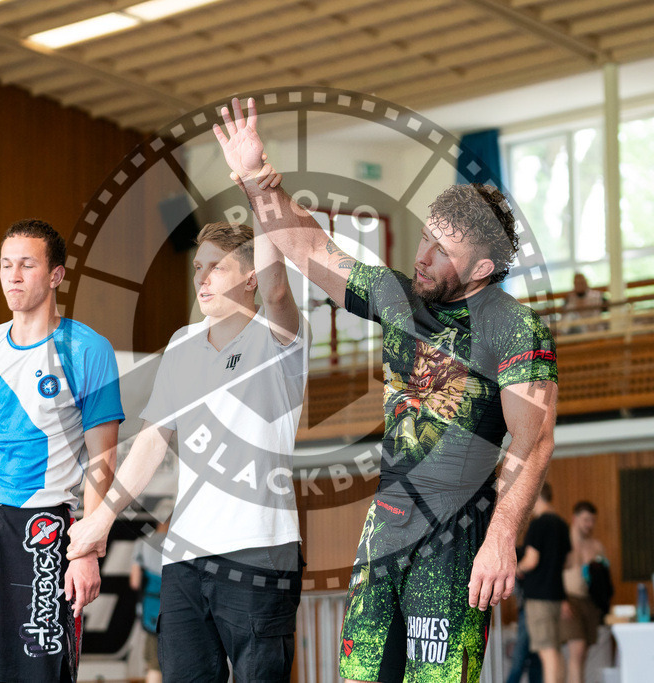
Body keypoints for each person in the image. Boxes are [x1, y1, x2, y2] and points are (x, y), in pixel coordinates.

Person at [213, 97, 558, 683]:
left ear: (480, 270)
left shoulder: (515, 327)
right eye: (425, 237)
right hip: (385, 530)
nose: (422, 257)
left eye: (442, 252)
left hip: (455, 541)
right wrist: (256, 178)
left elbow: (534, 440)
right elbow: (311, 248)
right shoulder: (399, 298)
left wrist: (501, 538)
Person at [66, 201, 311, 682]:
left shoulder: (280, 337)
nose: (202, 278)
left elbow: (280, 287)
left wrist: (254, 184)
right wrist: (101, 518)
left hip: (259, 554)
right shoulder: (181, 342)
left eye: (217, 268)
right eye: (198, 268)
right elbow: (153, 441)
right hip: (184, 559)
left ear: (250, 277)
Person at [0, 219, 124, 682]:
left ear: (55, 275)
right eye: (6, 265)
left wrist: (86, 551)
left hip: (46, 529)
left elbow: (104, 458)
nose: (13, 276)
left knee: (38, 675)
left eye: (27, 265)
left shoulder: (87, 349)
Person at [517, 483, 572, 683]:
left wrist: (516, 569)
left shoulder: (539, 524)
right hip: (557, 594)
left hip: (539, 596)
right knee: (555, 650)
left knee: (546, 652)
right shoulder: (562, 524)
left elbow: (531, 560)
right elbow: (569, 562)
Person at [560, 501, 607, 683]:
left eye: (592, 521)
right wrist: (562, 601)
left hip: (589, 601)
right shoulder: (564, 542)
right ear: (575, 518)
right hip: (570, 599)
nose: (589, 525)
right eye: (586, 520)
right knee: (577, 650)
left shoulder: (596, 546)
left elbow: (603, 581)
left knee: (584, 652)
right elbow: (554, 573)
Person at [131, 520, 167, 683]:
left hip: (153, 609)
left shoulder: (143, 543)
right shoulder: (186, 545)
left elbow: (135, 582)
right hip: (186, 608)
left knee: (154, 665)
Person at [506, 545, 543, 683]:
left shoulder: (520, 559)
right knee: (533, 659)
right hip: (535, 610)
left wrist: (517, 570)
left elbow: (514, 590)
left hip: (528, 610)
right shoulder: (525, 555)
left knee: (522, 658)